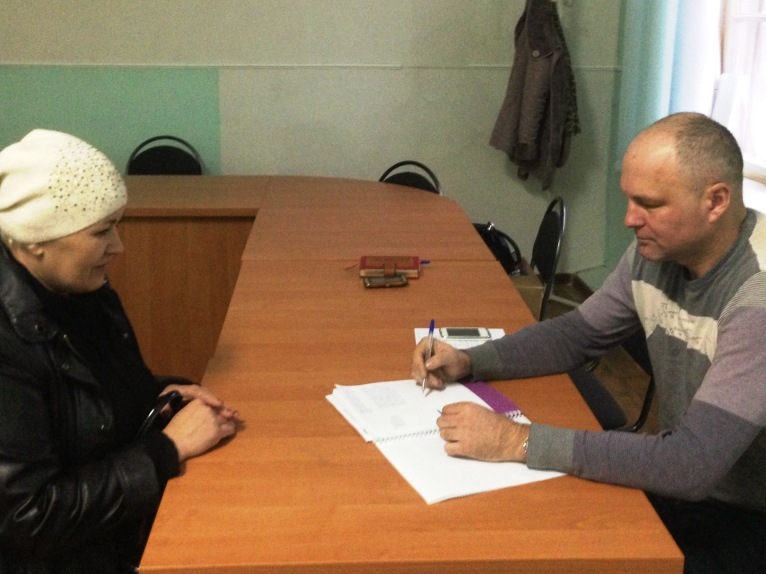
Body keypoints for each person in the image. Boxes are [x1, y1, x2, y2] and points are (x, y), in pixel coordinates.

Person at [412, 112, 766, 574]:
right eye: (628, 199)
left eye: (649, 203)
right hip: (691, 486)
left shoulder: (756, 297)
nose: (629, 219)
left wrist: (515, 440)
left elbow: (690, 464)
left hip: (743, 514)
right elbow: (578, 334)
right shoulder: (661, 248)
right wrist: (469, 360)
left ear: (716, 201)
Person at [0, 130, 242, 573]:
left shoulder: (78, 288)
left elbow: (84, 398)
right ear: (35, 239)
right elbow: (27, 518)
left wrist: (162, 395)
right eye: (101, 232)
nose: (119, 246)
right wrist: (167, 449)